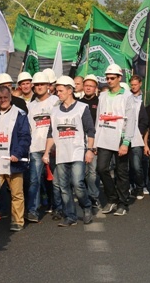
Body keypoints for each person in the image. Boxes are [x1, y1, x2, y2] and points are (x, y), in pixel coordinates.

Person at [43, 76, 95, 226]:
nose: (57, 93)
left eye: (60, 90)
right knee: (64, 187)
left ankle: (86, 206)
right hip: (61, 154)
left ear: (70, 90)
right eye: (57, 90)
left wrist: (90, 150)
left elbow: (90, 130)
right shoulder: (54, 111)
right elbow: (51, 133)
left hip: (78, 151)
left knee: (78, 183)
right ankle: (70, 216)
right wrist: (46, 152)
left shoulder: (82, 108)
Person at [95, 64, 136, 216]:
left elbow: (131, 121)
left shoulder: (127, 97)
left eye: (112, 78)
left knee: (121, 172)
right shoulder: (103, 96)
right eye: (107, 78)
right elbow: (99, 118)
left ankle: (123, 203)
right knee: (101, 168)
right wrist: (96, 141)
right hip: (105, 138)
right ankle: (112, 199)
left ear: (119, 78)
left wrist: (126, 142)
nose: (109, 80)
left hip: (120, 138)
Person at [0, 86, 31, 232]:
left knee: (17, 194)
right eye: (0, 98)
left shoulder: (19, 114)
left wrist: (18, 154)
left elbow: (25, 137)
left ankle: (17, 220)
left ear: (10, 98)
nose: (2, 100)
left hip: (13, 161)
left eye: (5, 97)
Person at [26, 72, 60, 223]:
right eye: (37, 85)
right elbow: (29, 128)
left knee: (57, 181)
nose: (39, 87)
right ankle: (32, 211)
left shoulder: (56, 101)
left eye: (42, 84)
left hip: (54, 147)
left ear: (48, 86)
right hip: (35, 148)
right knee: (34, 181)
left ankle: (59, 208)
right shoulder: (31, 105)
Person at [78, 74, 100, 207]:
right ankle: (84, 195)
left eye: (91, 86)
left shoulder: (100, 102)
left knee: (92, 172)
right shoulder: (78, 102)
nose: (88, 88)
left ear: (95, 88)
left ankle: (93, 196)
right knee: (83, 172)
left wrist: (96, 144)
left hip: (94, 141)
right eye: (86, 85)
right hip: (80, 141)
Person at [128, 75, 147, 200]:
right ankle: (130, 186)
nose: (133, 87)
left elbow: (144, 120)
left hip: (136, 138)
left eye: (135, 84)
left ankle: (140, 187)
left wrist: (139, 132)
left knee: (136, 165)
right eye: (131, 84)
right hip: (123, 137)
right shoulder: (126, 97)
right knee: (126, 165)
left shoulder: (143, 98)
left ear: (140, 84)